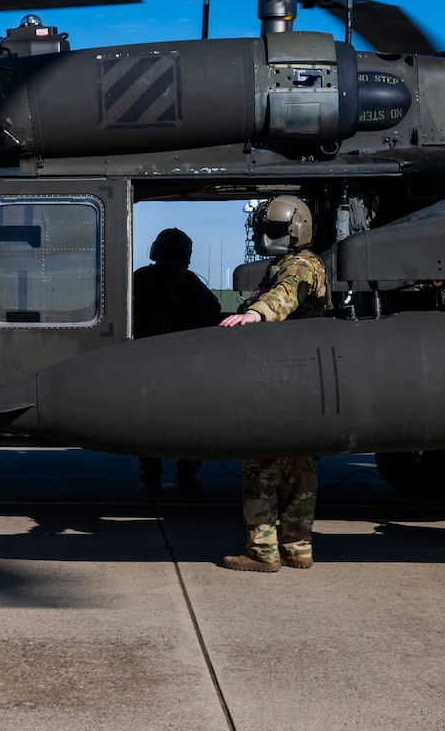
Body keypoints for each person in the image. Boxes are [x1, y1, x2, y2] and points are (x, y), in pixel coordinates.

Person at [217, 195, 332, 571]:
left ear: (295, 231)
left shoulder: (298, 266)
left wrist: (254, 315)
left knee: (261, 469)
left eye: (273, 229)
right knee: (301, 471)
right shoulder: (301, 263)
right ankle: (298, 548)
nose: (265, 236)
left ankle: (262, 552)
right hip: (308, 386)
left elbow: (284, 297)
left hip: (285, 386)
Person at [131, 226, 223, 491]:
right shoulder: (187, 282)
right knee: (189, 421)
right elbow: (212, 312)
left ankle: (154, 475)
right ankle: (182, 473)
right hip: (180, 364)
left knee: (151, 423)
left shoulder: (145, 279)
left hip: (153, 363)